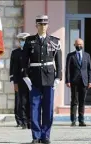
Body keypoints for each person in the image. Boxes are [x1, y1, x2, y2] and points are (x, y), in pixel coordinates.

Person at [22, 15, 62, 144]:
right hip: (34, 78)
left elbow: (58, 62)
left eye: (45, 24)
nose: (43, 26)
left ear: (48, 25)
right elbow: (24, 61)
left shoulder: (55, 41)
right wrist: (26, 77)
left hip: (49, 78)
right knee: (34, 108)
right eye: (40, 24)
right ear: (36, 26)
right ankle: (36, 136)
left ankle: (45, 135)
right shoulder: (29, 41)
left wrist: (58, 77)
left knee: (48, 108)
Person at [65, 38, 91, 127]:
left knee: (82, 101)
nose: (79, 46)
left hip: (84, 82)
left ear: (83, 45)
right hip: (74, 82)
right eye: (77, 44)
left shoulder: (87, 56)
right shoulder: (70, 56)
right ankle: (73, 120)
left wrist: (90, 81)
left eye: (80, 44)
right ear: (74, 45)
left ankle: (81, 120)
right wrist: (67, 80)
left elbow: (89, 70)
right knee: (74, 101)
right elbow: (67, 70)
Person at [10, 32, 31, 129]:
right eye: (21, 40)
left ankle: (29, 120)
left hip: (30, 81)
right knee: (20, 102)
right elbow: (13, 69)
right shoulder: (15, 53)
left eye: (24, 40)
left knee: (29, 101)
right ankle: (22, 121)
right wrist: (14, 82)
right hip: (20, 81)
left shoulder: (31, 52)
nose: (22, 42)